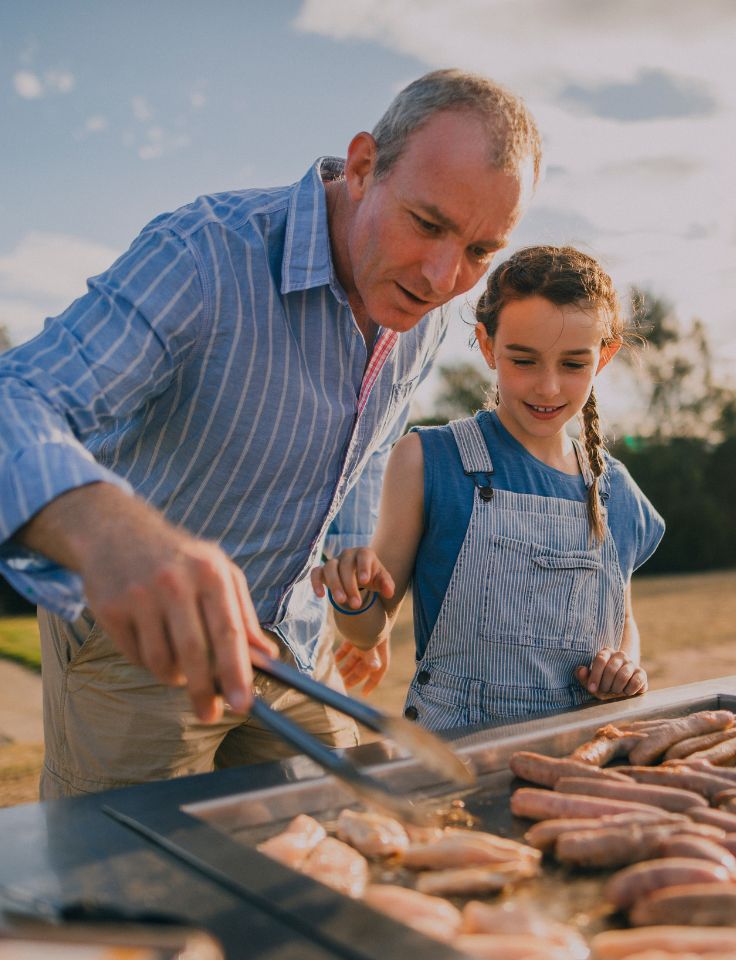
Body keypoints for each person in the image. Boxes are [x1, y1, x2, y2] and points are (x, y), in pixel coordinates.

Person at [0, 69, 541, 796]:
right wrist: (109, 533)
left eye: (480, 251)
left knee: (349, 843)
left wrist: (352, 565)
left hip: (295, 641)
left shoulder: (429, 307)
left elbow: (369, 443)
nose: (444, 276)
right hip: (141, 651)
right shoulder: (202, 254)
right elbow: (17, 400)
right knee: (141, 899)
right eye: (429, 223)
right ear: (361, 167)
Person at [312, 246, 665, 730]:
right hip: (458, 755)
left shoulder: (615, 490)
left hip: (583, 755)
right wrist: (353, 597)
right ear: (486, 344)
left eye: (572, 364)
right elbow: (371, 628)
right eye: (524, 360)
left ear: (604, 356)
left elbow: (623, 622)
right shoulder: (427, 460)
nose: (547, 387)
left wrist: (625, 665)